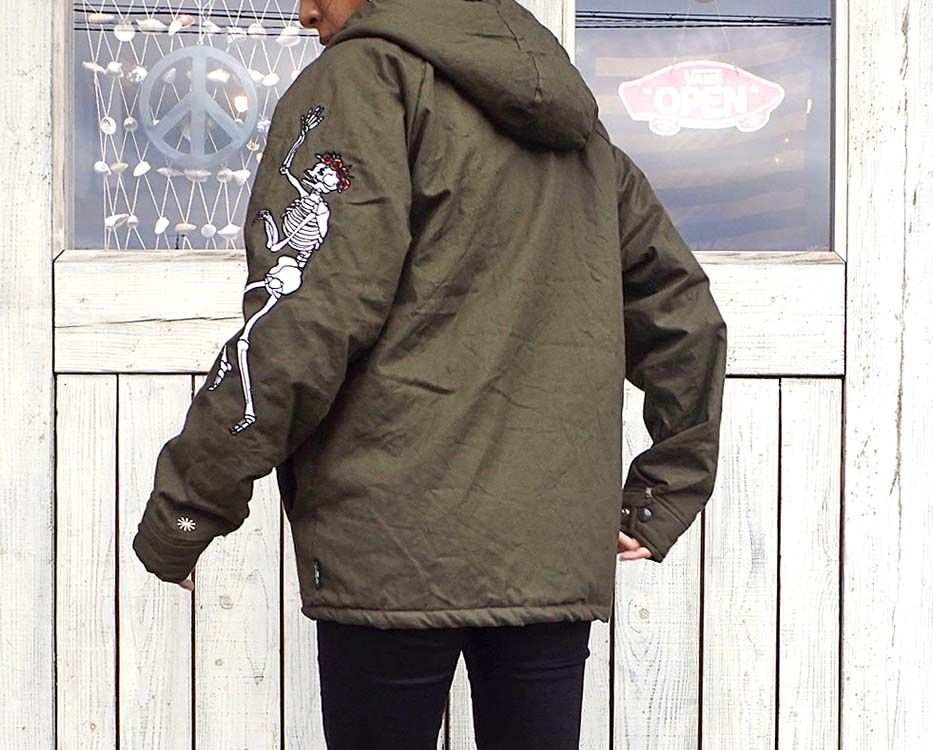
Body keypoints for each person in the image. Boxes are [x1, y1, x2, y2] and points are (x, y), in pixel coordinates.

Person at [131, 0, 728, 746]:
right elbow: (684, 316)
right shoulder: (576, 130)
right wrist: (664, 491)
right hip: (547, 551)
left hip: (393, 544)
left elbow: (302, 323)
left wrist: (189, 506)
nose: (305, 12)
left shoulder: (364, 78)